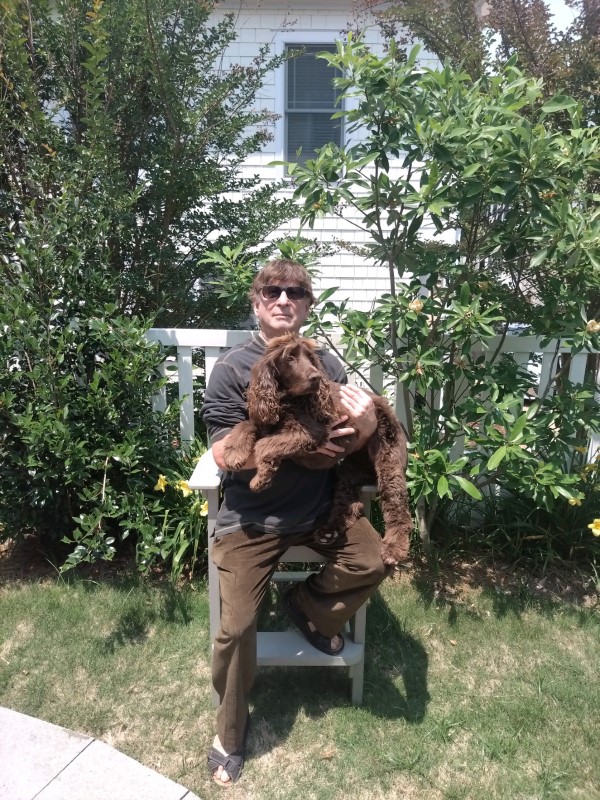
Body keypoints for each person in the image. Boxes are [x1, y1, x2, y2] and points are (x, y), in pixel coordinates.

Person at [201, 259, 389, 787]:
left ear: (307, 304)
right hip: (252, 519)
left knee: (375, 559)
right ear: (258, 303)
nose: (284, 299)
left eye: (296, 292)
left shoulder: (327, 364)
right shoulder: (233, 369)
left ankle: (308, 608)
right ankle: (230, 733)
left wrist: (368, 421)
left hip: (322, 509)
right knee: (237, 628)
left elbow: (352, 442)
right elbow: (223, 452)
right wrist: (298, 444)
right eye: (273, 291)